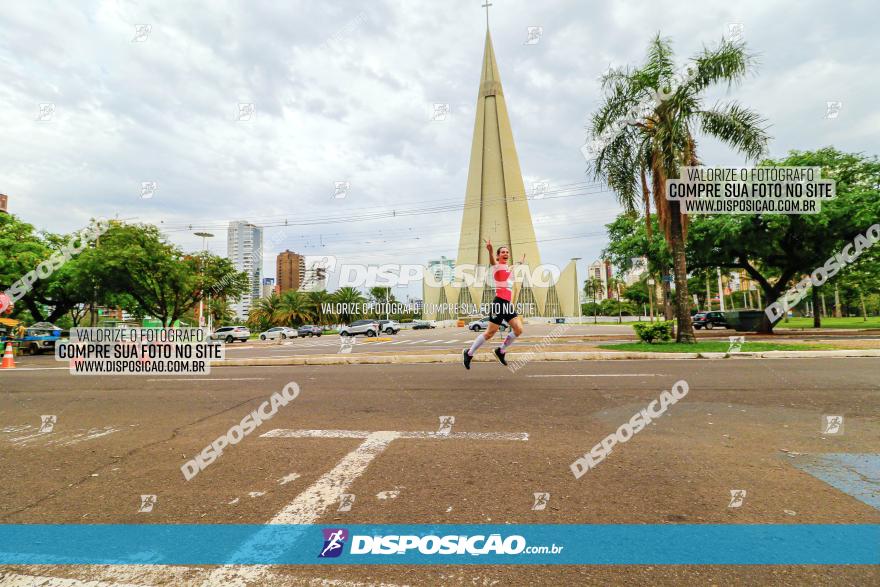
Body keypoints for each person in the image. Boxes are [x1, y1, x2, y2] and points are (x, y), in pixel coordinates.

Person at [463, 239, 524, 369]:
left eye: (507, 252)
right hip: (499, 303)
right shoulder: (497, 266)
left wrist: (520, 262)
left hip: (507, 305)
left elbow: (514, 266)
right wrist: (490, 251)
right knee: (490, 333)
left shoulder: (508, 268)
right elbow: (492, 262)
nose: (505, 253)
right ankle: (469, 353)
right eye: (502, 252)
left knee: (519, 329)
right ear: (498, 256)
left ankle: (500, 351)